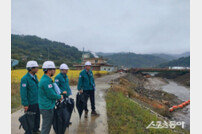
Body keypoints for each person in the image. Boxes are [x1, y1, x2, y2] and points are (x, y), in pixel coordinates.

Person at [38, 61, 63, 134]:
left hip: (46, 105)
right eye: (54, 69)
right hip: (47, 107)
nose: (55, 71)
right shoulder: (46, 81)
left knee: (46, 125)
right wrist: (59, 96)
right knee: (46, 126)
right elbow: (51, 95)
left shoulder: (47, 79)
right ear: (49, 70)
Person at [20, 61, 40, 134]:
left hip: (37, 101)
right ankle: (29, 132)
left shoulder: (35, 77)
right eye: (36, 67)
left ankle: (36, 130)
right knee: (30, 120)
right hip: (30, 103)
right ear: (31, 68)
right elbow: (23, 92)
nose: (37, 69)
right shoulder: (25, 79)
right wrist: (25, 104)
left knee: (37, 117)